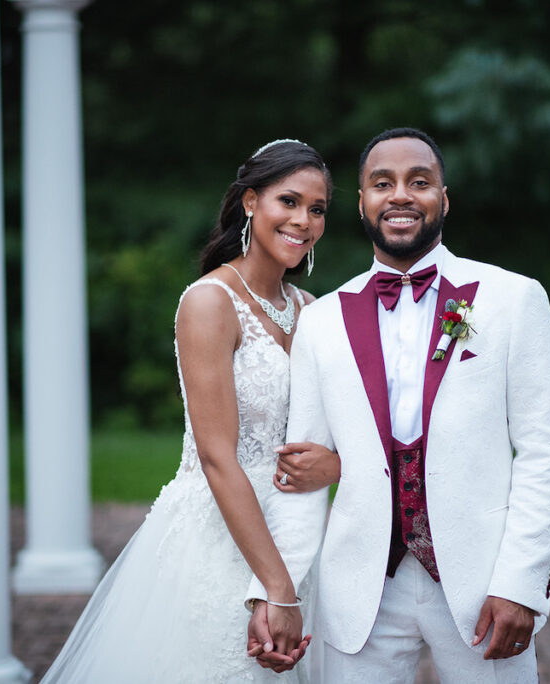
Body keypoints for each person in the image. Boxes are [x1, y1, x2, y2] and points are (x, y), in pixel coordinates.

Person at [247, 128, 550, 683]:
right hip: (361, 591)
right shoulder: (321, 322)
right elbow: (299, 471)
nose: (400, 195)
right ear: (361, 203)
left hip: (483, 582)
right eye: (382, 183)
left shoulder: (513, 299)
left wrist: (520, 583)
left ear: (443, 200)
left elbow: (544, 450)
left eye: (419, 182)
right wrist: (277, 592)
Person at [40, 139, 340, 683]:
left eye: (316, 209)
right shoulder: (209, 303)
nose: (304, 221)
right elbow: (216, 456)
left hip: (295, 535)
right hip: (221, 541)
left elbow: (336, 434)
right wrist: (276, 587)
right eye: (289, 202)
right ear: (250, 202)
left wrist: (334, 468)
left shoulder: (311, 312)